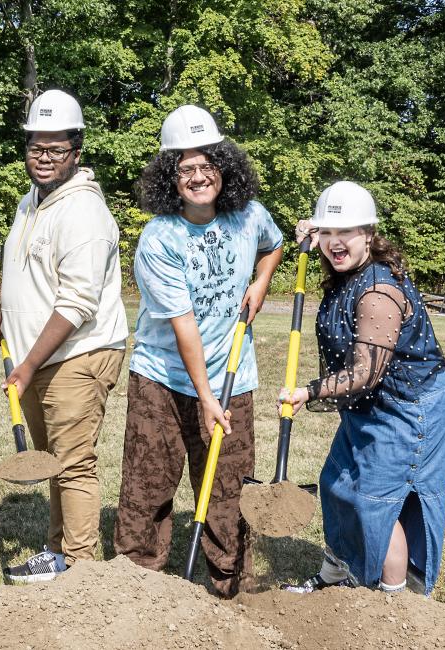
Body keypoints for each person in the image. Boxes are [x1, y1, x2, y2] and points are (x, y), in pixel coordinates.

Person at [114, 104, 283, 598]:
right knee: (147, 490)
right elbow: (183, 324)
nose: (198, 176)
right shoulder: (158, 238)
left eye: (207, 163)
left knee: (229, 492)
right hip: (162, 380)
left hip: (235, 378)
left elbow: (272, 245)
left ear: (223, 165)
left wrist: (261, 280)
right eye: (185, 168)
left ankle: (230, 594)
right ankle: (133, 591)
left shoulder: (250, 215)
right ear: (170, 177)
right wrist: (206, 397)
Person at [279, 181, 445, 596]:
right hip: (370, 404)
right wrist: (313, 232)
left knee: (375, 502)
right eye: (327, 233)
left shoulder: (378, 291)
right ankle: (337, 572)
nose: (334, 243)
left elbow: (365, 373)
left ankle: (394, 603)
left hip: (409, 406)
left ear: (369, 235)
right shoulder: (345, 262)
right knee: (337, 484)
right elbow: (321, 233)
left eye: (347, 233)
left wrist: (309, 391)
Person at [0, 89, 129, 583]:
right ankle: (58, 554)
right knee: (54, 462)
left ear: (77, 149)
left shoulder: (83, 213)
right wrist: (5, 311)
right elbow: (33, 270)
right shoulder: (33, 202)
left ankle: (83, 570)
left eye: (56, 149)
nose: (44, 159)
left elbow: (76, 303)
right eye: (35, 148)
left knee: (72, 464)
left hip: (78, 354)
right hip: (42, 355)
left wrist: (26, 366)